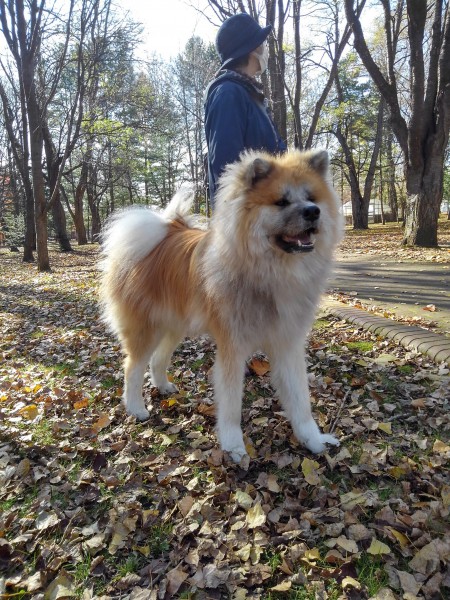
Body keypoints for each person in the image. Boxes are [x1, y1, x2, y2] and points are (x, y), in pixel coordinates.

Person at [204, 12, 287, 207]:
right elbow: (226, 168)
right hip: (247, 222)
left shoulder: (249, 95)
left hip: (266, 214)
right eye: (262, 44)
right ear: (254, 48)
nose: (265, 49)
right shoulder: (228, 93)